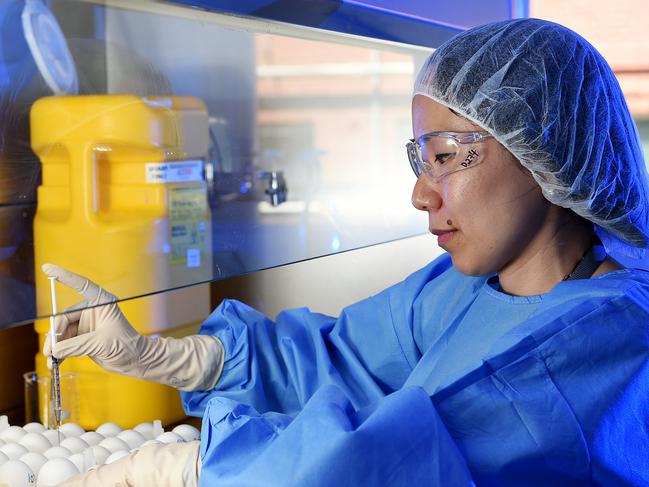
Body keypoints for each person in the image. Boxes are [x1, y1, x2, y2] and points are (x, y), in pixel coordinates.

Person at [49, 17, 649, 486]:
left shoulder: (600, 339)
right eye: (420, 160)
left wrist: (182, 470)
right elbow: (342, 359)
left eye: (444, 157)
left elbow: (375, 463)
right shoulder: (466, 290)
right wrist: (169, 358)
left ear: (541, 150)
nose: (420, 194)